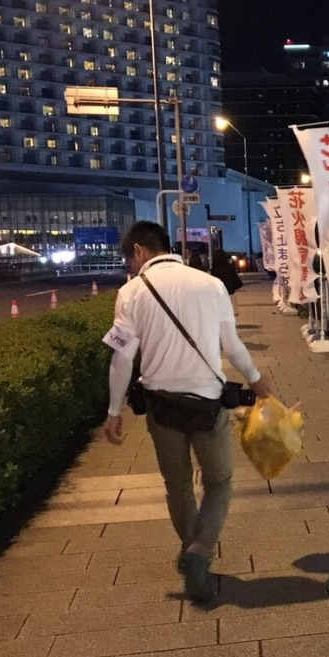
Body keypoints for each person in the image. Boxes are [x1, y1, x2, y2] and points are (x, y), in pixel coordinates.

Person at [102, 221, 274, 602]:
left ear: (139, 251)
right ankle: (199, 551)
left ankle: (192, 551)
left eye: (128, 259)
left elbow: (122, 359)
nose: (129, 267)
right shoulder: (210, 285)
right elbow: (231, 344)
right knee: (220, 481)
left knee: (177, 486)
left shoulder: (131, 293)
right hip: (207, 405)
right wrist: (256, 378)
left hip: (161, 408)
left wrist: (114, 411)